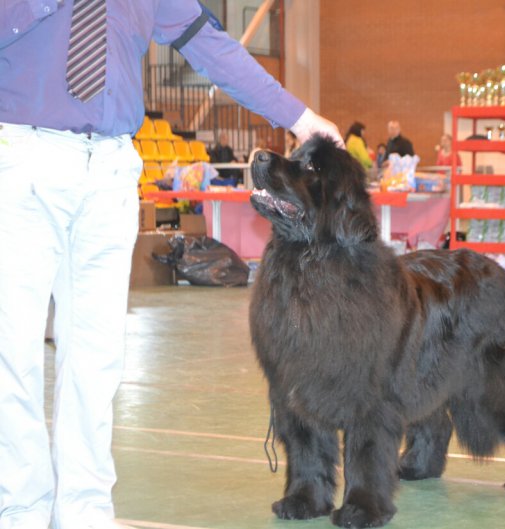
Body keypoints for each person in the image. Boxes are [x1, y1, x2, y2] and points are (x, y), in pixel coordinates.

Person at [0, 3, 341, 529]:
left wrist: (299, 117)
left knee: (96, 357)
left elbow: (213, 46)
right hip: (22, 154)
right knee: (10, 351)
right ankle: (19, 509)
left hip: (111, 168)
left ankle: (85, 509)